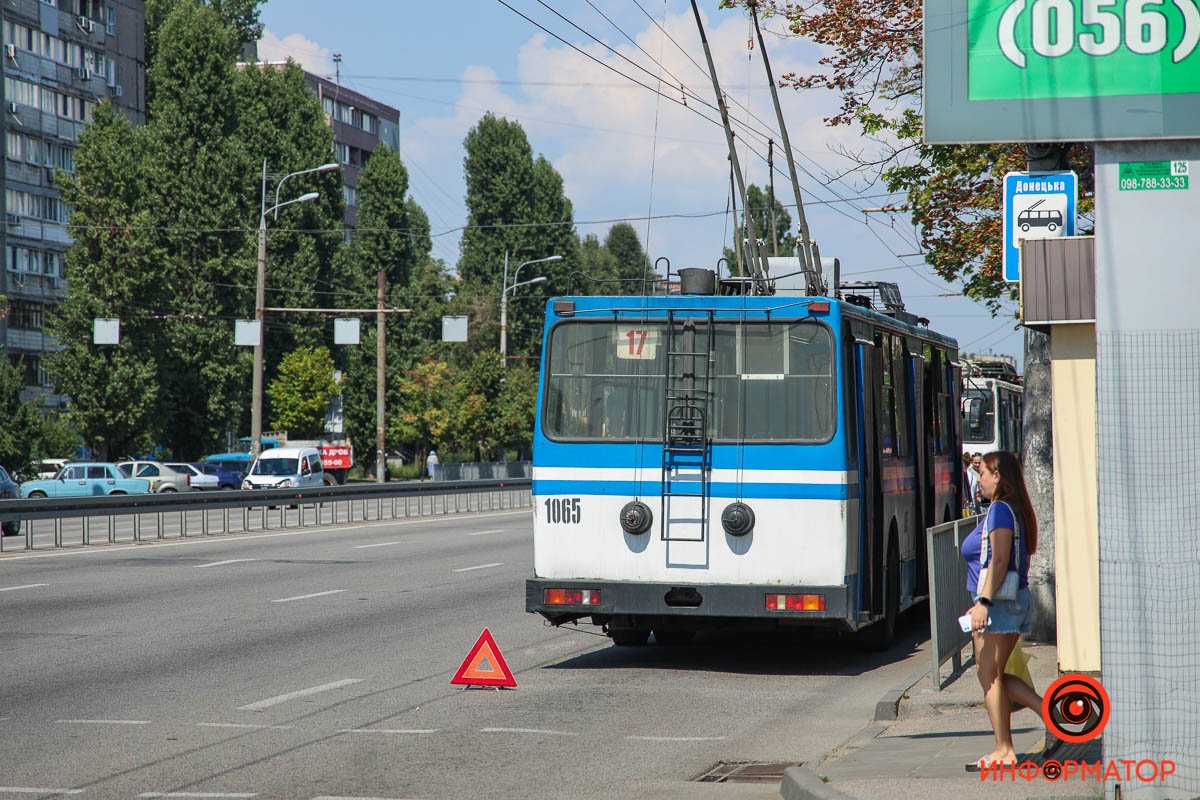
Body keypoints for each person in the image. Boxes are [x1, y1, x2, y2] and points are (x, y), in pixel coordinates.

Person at [963, 450, 1038, 770]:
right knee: (993, 675)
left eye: (983, 474)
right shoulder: (1012, 508)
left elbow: (1000, 560)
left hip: (1000, 606)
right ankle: (1054, 715)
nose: (978, 480)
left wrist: (984, 602)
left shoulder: (999, 511)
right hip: (1007, 602)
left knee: (989, 677)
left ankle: (1004, 750)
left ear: (998, 477)